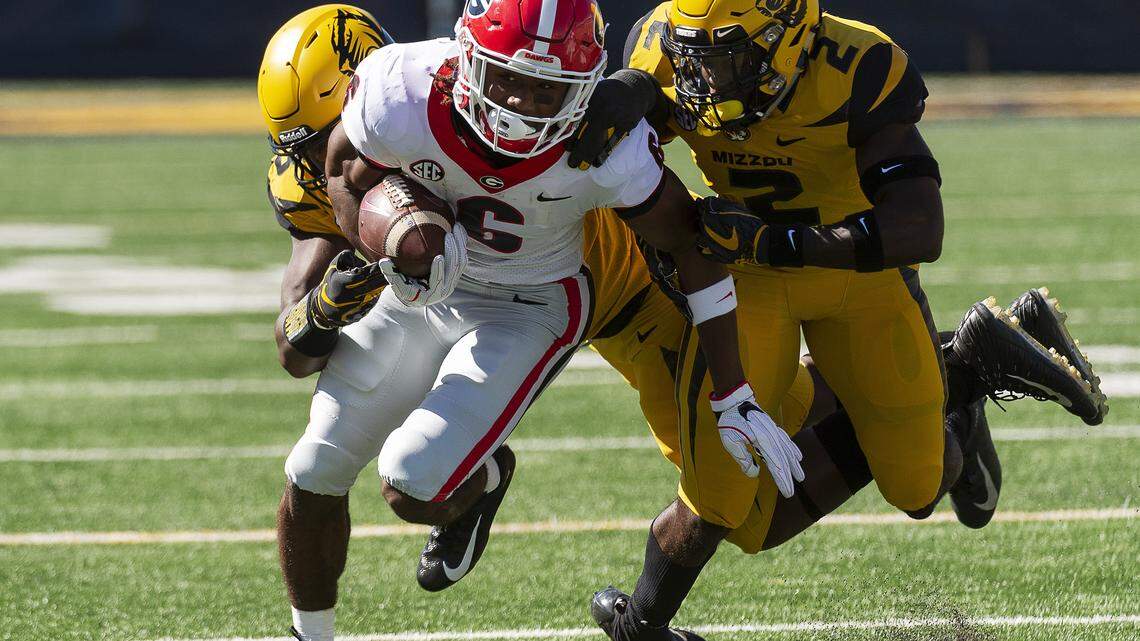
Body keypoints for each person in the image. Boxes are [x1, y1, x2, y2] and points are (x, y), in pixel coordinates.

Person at [560, 1, 1109, 638]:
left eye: (727, 59)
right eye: (694, 59)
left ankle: (960, 374)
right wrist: (631, 90)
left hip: (855, 278)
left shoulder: (858, 66)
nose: (706, 79)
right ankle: (643, 624)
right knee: (720, 494)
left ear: (787, 40)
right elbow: (650, 111)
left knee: (918, 488)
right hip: (748, 282)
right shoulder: (666, 46)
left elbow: (919, 227)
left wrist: (774, 242)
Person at [264, 1, 806, 640]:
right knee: (314, 464)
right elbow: (340, 170)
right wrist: (378, 247)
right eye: (506, 79)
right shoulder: (401, 88)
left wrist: (732, 391)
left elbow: (691, 244)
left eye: (548, 88)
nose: (521, 105)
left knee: (411, 482)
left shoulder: (605, 142)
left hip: (528, 304)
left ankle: (485, 476)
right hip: (423, 292)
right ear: (466, 57)